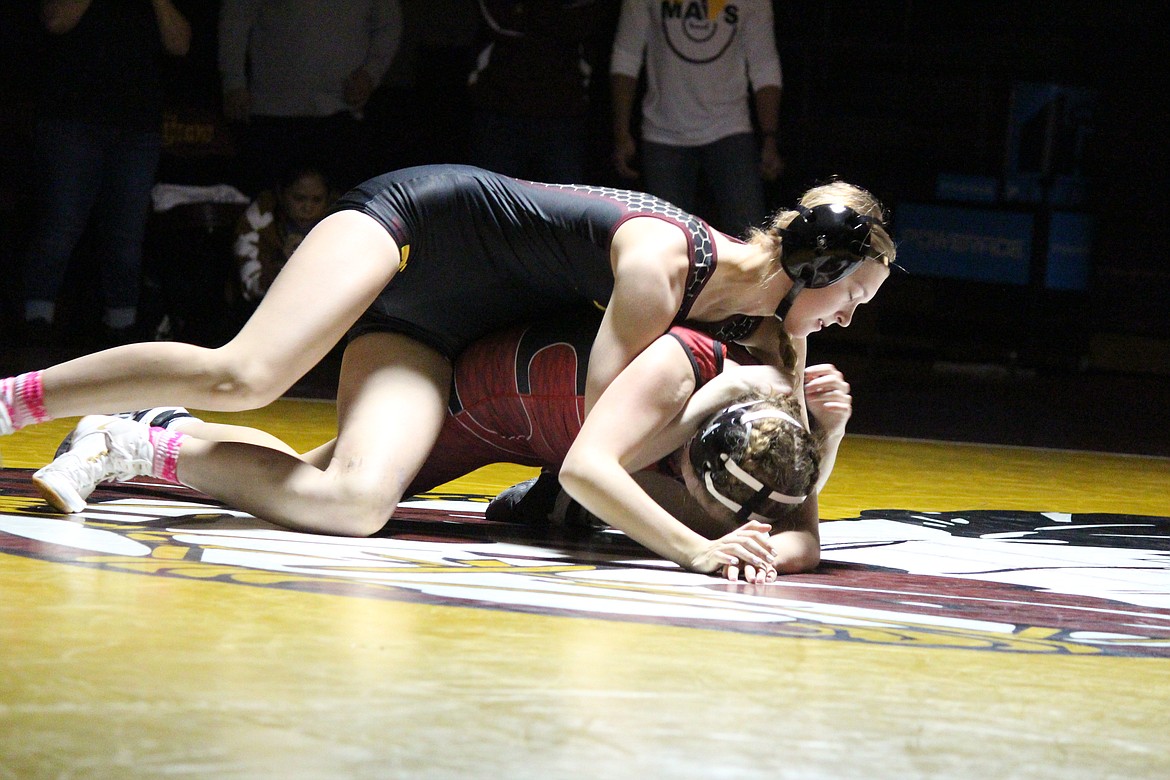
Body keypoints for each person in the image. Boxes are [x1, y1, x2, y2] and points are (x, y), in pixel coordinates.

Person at [0, 164, 893, 570]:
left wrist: (828, 425)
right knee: (248, 373)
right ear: (813, 269)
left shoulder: (779, 329)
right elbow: (594, 446)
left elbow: (790, 490)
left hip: (451, 330)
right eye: (854, 291)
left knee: (352, 503)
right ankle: (15, 399)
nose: (853, 313)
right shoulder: (660, 267)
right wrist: (729, 393)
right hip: (415, 231)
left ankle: (134, 443)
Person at [38, 307, 842, 581]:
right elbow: (593, 465)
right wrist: (700, 551)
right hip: (445, 364)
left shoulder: (751, 424)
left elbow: (793, 533)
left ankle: (158, 431)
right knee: (335, 496)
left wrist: (825, 433)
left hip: (497, 416)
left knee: (310, 475)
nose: (714, 519)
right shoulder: (687, 374)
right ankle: (126, 440)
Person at [21, 0, 191, 346]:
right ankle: (35, 320)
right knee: (59, 226)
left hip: (138, 124)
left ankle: (122, 325)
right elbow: (54, 20)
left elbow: (180, 43)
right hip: (71, 118)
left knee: (127, 233)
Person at [610, 0, 782, 237]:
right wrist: (621, 132)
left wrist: (770, 137)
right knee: (666, 243)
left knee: (751, 241)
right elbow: (626, 56)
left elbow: (764, 66)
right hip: (663, 133)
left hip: (731, 129)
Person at [217, 0, 403, 193]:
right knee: (266, 207)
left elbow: (388, 24)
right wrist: (233, 82)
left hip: (341, 111)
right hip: (272, 110)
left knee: (338, 207)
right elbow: (235, 19)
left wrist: (370, 73)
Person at [466, 0, 609, 184]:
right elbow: (498, 20)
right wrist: (555, 14)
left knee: (564, 204)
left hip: (564, 112)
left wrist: (527, 12)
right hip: (498, 108)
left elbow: (582, 22)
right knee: (492, 201)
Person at [232, 165, 334, 306]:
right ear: (281, 194)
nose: (308, 208)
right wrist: (282, 263)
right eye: (299, 198)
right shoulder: (259, 218)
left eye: (317, 200)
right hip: (267, 310)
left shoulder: (339, 218)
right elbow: (251, 289)